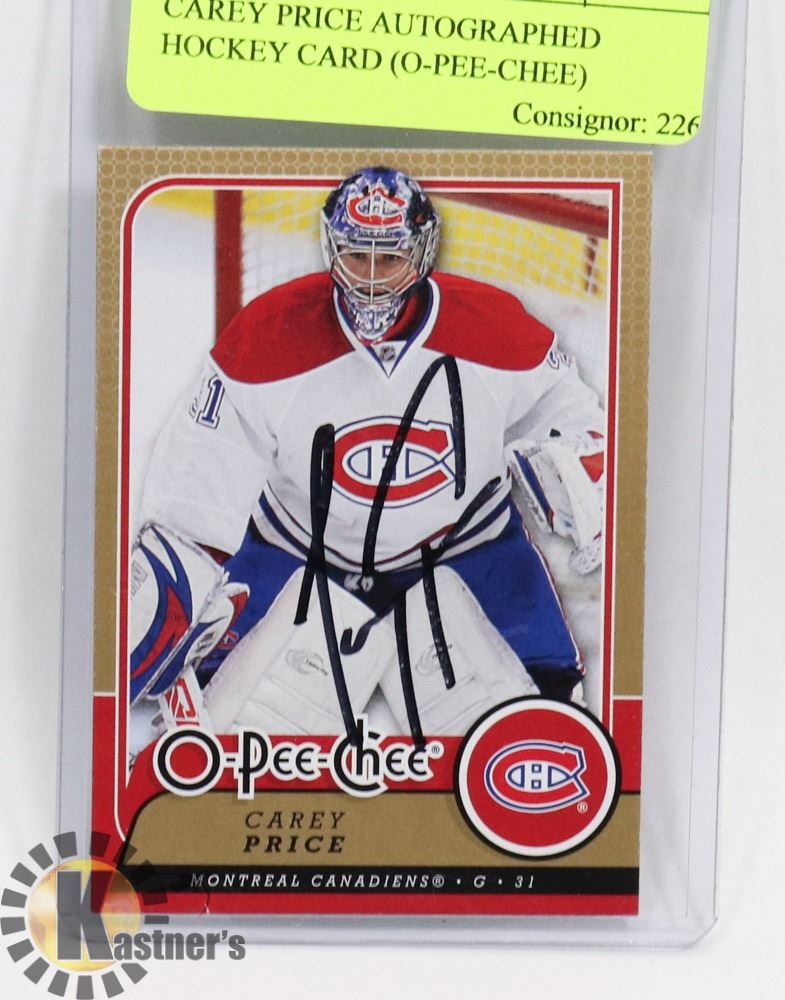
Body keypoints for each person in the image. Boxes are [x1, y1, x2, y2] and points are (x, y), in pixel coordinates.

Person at [129, 166, 606, 743]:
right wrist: (177, 574)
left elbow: (570, 413)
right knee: (218, 744)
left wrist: (577, 464)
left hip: (470, 549)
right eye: (358, 256)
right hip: (297, 552)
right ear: (333, 249)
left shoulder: (494, 327)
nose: (373, 279)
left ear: (421, 253)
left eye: (390, 259)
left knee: (542, 739)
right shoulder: (267, 335)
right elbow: (204, 464)